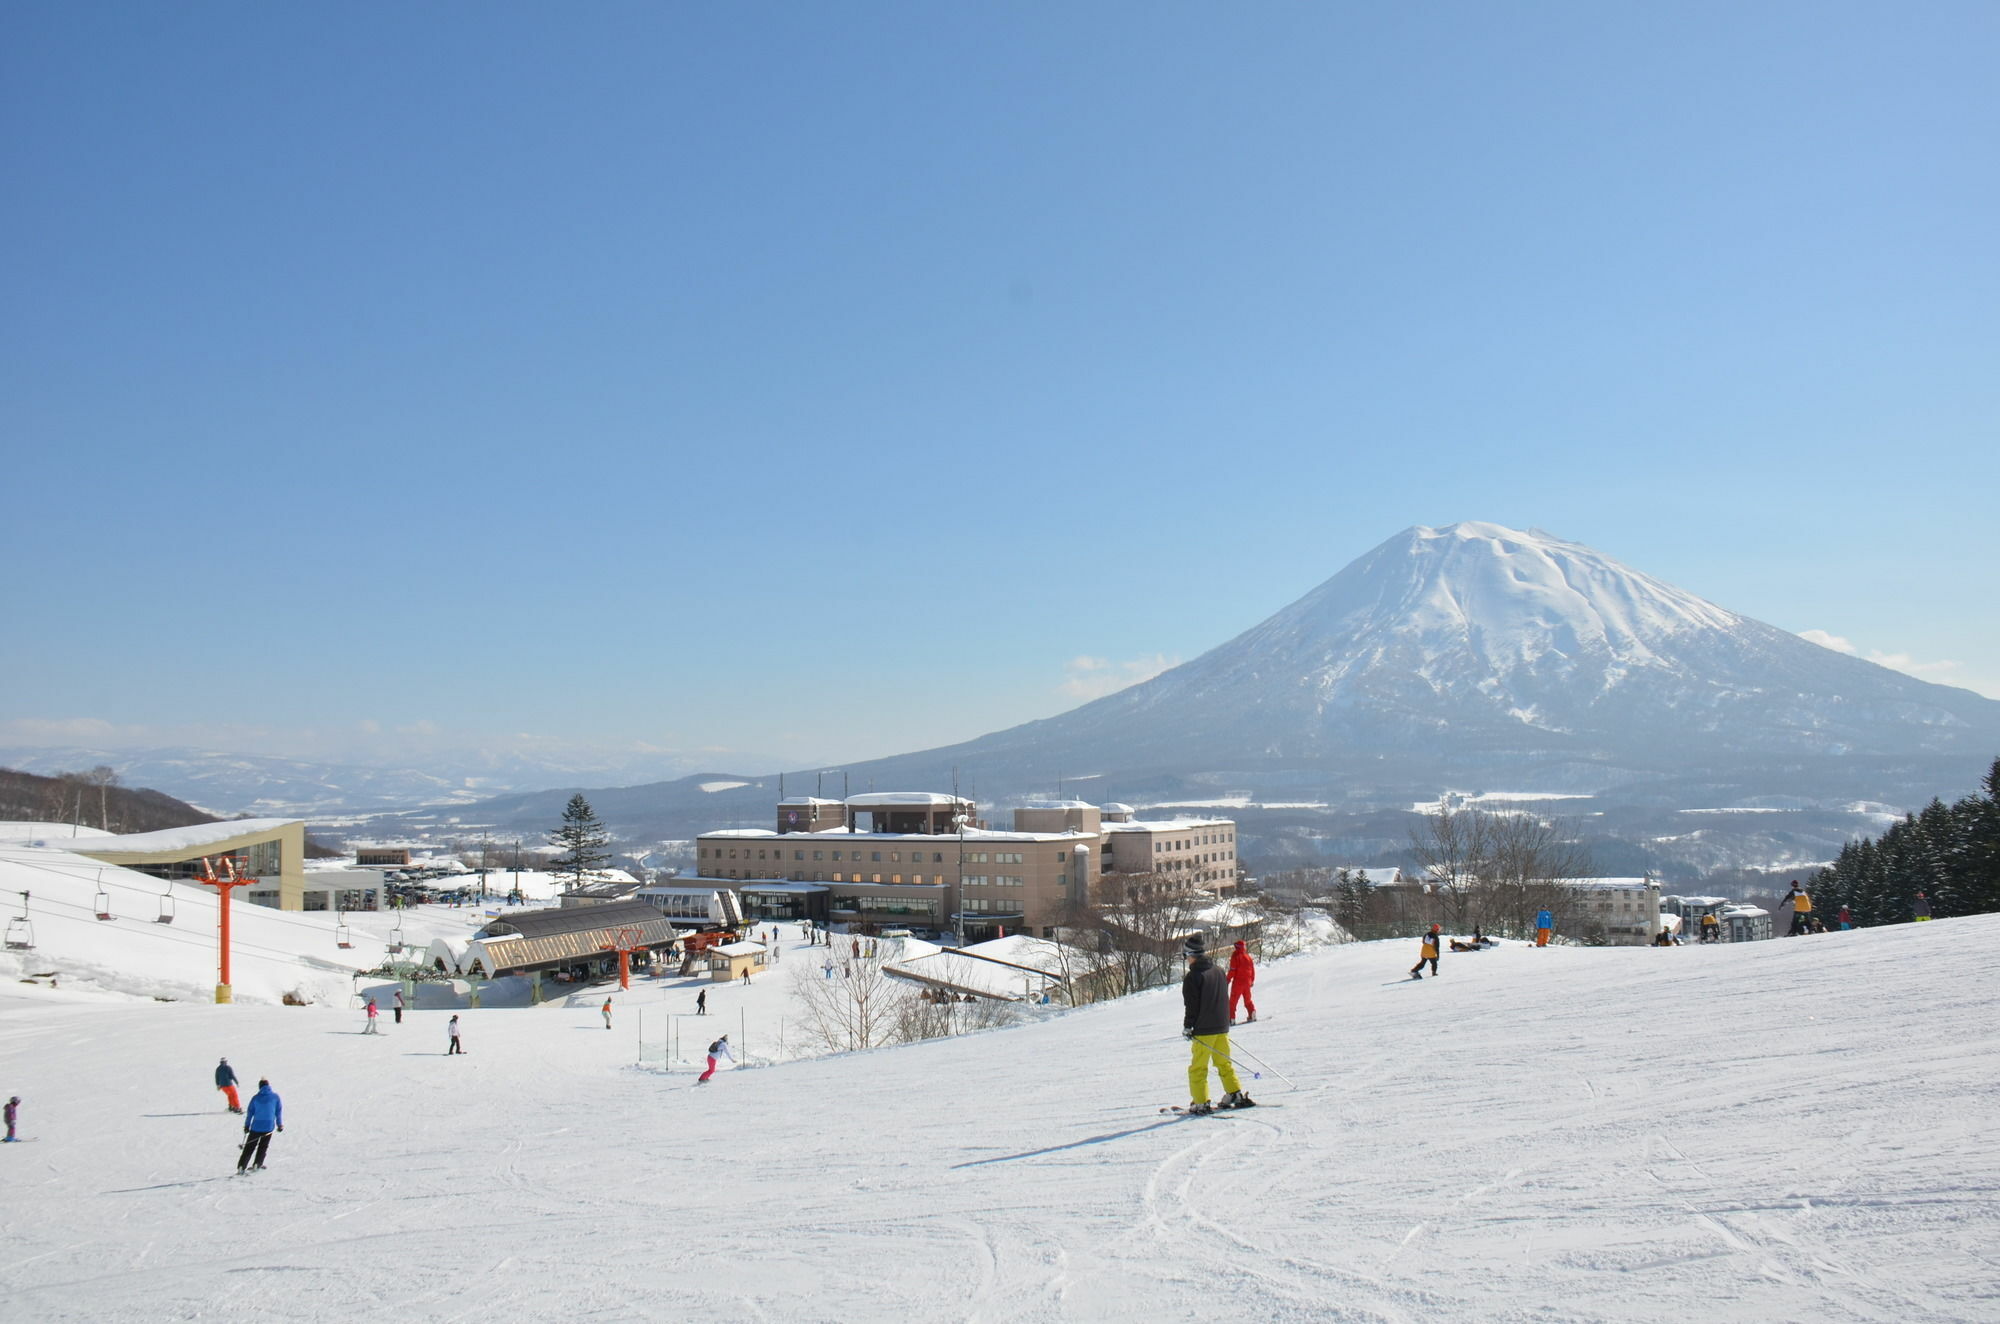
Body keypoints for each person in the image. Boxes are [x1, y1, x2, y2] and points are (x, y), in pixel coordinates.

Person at [1181, 934, 1252, 1114]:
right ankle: (1234, 1092)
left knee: (1198, 1068)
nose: (1186, 959)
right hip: (1221, 1026)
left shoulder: (1193, 977)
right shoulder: (1218, 970)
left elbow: (1192, 1005)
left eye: (1185, 955)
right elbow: (1222, 997)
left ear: (1191, 954)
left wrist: (1188, 1026)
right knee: (1223, 1063)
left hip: (1204, 1029)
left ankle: (1200, 1102)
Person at [237, 1079, 281, 1173]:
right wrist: (280, 1124)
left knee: (249, 1147)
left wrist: (247, 1126)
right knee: (263, 1146)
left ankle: (241, 1166)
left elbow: (250, 1113)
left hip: (256, 1126)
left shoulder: (255, 1098)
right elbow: (278, 1111)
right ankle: (258, 1163)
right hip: (269, 1126)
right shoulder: (275, 1097)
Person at [1227, 938, 1257, 1023]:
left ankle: (1231, 1018)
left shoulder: (1235, 956)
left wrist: (1227, 979)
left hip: (1238, 983)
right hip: (1247, 982)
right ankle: (1252, 1013)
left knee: (1233, 1001)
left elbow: (1232, 970)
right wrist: (1251, 980)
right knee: (1248, 1000)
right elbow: (1252, 970)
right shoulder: (1248, 957)